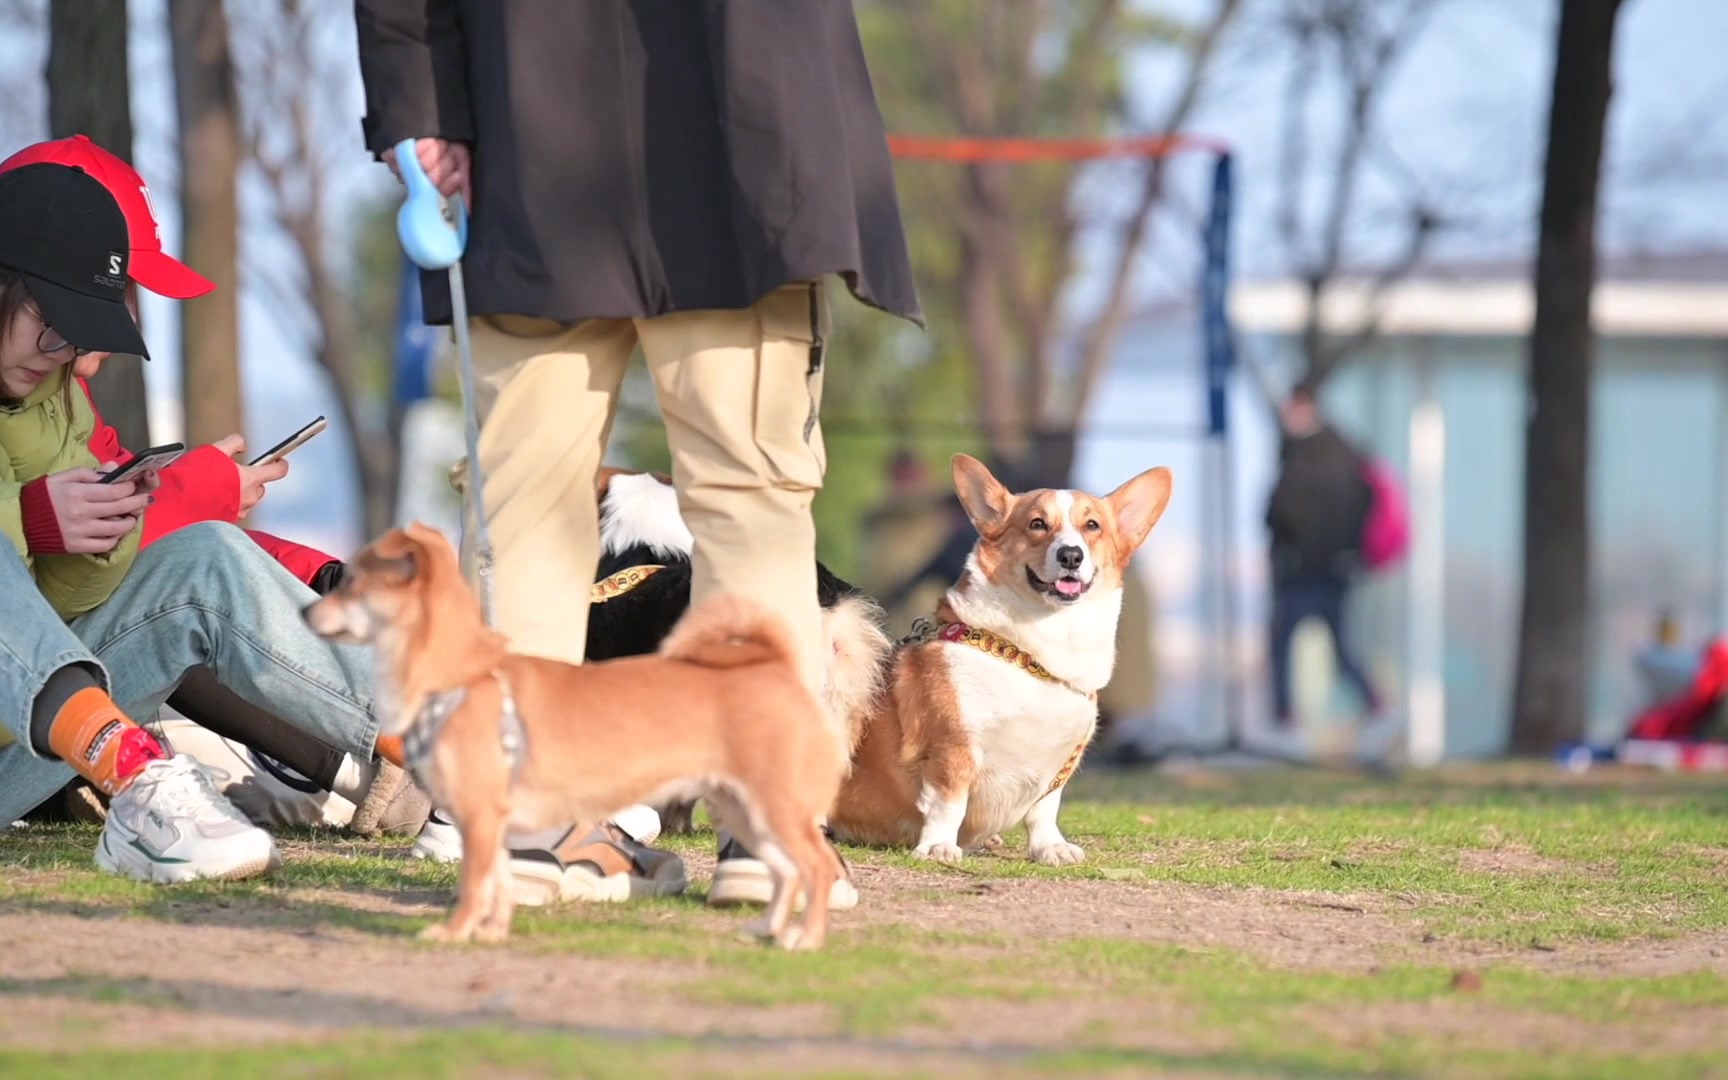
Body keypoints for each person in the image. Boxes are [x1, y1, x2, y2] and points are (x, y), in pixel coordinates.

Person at [354, 1, 922, 907]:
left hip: (530, 117)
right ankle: (760, 828)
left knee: (528, 497)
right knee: (747, 493)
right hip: (738, 133)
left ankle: (527, 829)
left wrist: (415, 99)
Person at [0, 136, 418, 833]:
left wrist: (106, 528)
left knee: (209, 559)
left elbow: (69, 604)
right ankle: (141, 774)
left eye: (87, 327)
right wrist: (38, 519)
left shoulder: (53, 388)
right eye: (58, 322)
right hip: (50, 724)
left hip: (32, 735)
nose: (77, 354)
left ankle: (442, 752)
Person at [1262, 385, 1389, 755]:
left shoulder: (1308, 456)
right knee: (1340, 648)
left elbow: (1284, 512)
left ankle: (1285, 721)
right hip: (1336, 569)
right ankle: (1377, 708)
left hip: (1305, 569)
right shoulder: (1347, 452)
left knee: (1284, 646)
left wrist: (1284, 538)